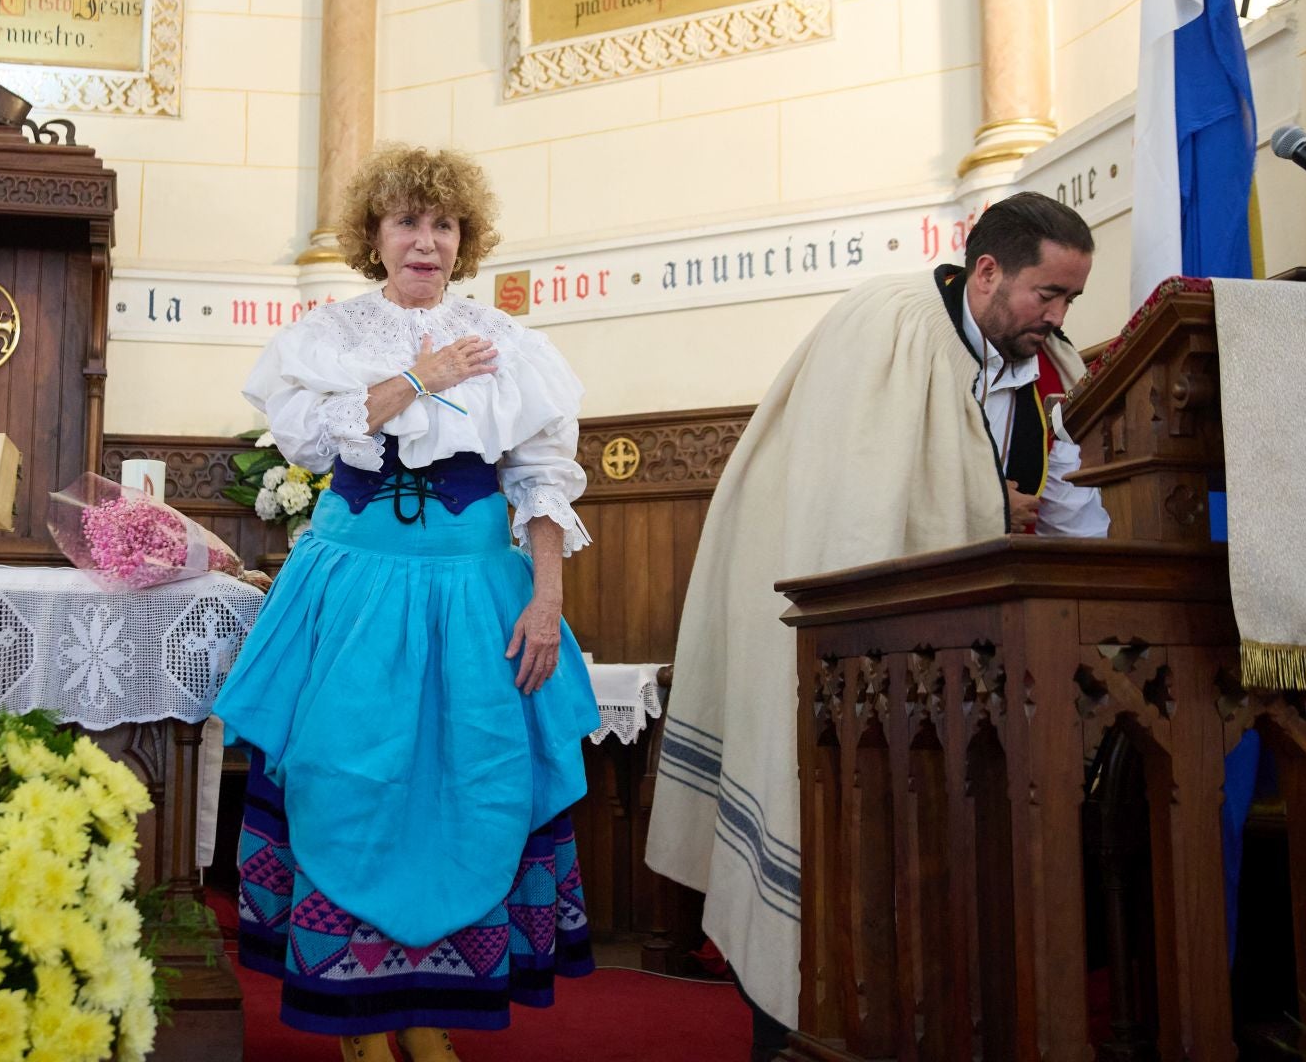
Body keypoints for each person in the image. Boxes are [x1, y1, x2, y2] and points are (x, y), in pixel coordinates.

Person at [644, 191, 1109, 1050]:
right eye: (1049, 294)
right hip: (842, 659)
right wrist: (996, 507)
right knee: (830, 852)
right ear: (988, 271)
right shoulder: (889, 324)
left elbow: (1076, 507)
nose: (1060, 315)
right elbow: (853, 510)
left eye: (1071, 299)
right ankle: (790, 1035)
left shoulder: (1048, 366)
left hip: (972, 676)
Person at [213, 144, 600, 1062]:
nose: (425, 242)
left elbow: (543, 481)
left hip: (474, 592)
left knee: (470, 786)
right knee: (346, 778)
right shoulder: (329, 336)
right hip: (353, 591)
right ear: (374, 237)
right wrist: (423, 377)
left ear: (464, 241)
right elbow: (311, 441)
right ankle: (357, 1024)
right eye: (406, 224)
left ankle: (427, 1018)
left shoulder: (511, 346)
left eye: (443, 226)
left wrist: (546, 601)